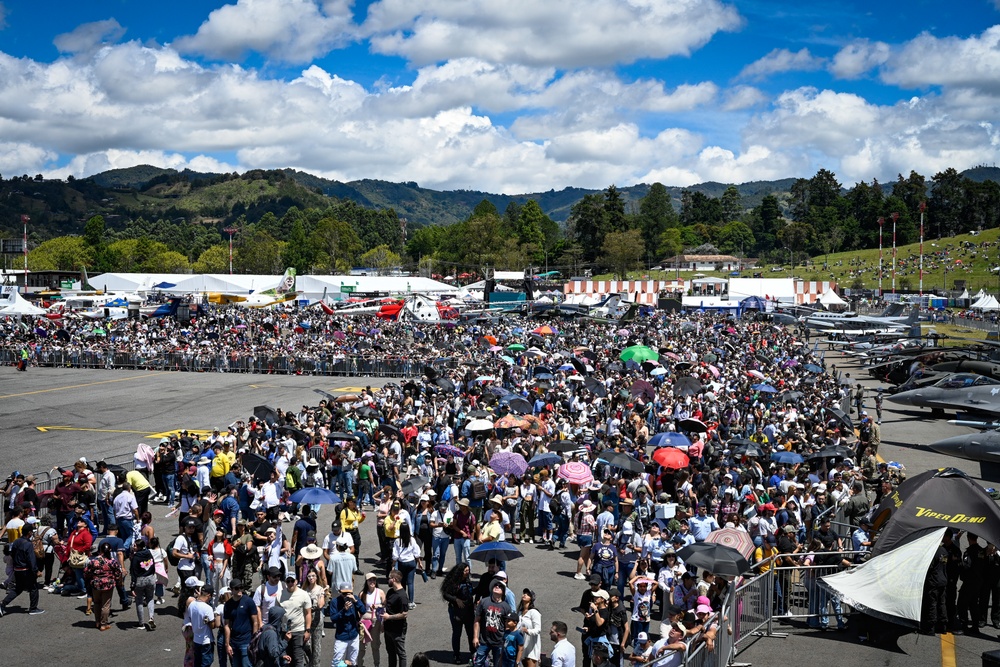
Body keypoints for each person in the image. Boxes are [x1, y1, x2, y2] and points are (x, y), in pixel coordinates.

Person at [0, 519, 44, 616]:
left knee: (18, 589)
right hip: (26, 570)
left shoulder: (16, 542)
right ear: (29, 533)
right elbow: (31, 559)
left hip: (17, 570)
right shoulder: (28, 544)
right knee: (33, 588)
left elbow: (12, 554)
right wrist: (36, 571)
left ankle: (3, 604)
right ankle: (33, 608)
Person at [474, 577, 514, 667]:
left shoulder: (506, 607)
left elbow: (508, 626)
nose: (497, 586)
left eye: (500, 586)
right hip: (484, 640)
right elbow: (477, 621)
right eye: (495, 585)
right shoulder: (484, 602)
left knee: (498, 664)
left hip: (499, 642)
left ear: (503, 591)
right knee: (478, 664)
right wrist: (475, 637)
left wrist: (505, 641)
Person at [84, 541, 124, 631]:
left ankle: (97, 622)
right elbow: (118, 573)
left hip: (96, 584)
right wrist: (119, 582)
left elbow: (87, 572)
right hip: (108, 585)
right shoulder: (112, 562)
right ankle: (103, 624)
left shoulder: (94, 561)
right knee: (106, 604)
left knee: (97, 603)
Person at [330, 581, 368, 665]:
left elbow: (363, 611)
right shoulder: (334, 602)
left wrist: (356, 601)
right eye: (344, 593)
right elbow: (333, 618)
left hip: (354, 635)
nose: (346, 595)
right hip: (341, 637)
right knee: (336, 662)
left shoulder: (355, 599)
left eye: (349, 593)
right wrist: (344, 610)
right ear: (340, 592)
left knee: (352, 662)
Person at [279, 572, 313, 667]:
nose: (290, 583)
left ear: (296, 581)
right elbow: (277, 613)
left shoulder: (303, 594)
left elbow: (308, 613)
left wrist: (307, 630)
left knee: (298, 658)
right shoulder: (280, 594)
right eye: (288, 581)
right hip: (284, 631)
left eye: (292, 581)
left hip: (298, 631)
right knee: (287, 658)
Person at [223, 579, 260, 667]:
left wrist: (253, 640)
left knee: (247, 665)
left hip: (246, 641)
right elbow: (227, 625)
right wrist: (227, 644)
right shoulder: (228, 605)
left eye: (241, 587)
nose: (240, 590)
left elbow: (255, 622)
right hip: (234, 642)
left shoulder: (248, 601)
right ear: (231, 590)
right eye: (237, 588)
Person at [392, 522, 423, 609]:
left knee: (402, 583)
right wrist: (420, 562)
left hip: (402, 563)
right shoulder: (412, 539)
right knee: (410, 583)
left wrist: (393, 564)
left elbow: (395, 555)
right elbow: (416, 552)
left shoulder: (398, 541)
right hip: (411, 563)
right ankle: (411, 602)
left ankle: (403, 600)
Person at [383, 569, 410, 667]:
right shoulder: (391, 591)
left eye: (389, 578)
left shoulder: (402, 596)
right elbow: (385, 605)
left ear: (393, 579)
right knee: (391, 653)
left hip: (397, 630)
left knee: (401, 654)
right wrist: (378, 606)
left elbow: (404, 614)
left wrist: (389, 617)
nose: (387, 580)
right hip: (388, 628)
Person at [359, 572, 386, 667]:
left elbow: (385, 606)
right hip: (364, 621)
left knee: (375, 645)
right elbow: (359, 608)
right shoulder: (362, 594)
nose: (372, 582)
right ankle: (360, 664)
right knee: (362, 645)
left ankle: (376, 664)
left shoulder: (380, 592)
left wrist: (379, 606)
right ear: (366, 581)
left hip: (376, 620)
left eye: (374, 579)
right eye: (370, 580)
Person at [130, 540, 158, 630]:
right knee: (150, 598)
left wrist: (132, 587)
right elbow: (153, 565)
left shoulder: (136, 557)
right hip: (150, 578)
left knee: (139, 601)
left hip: (140, 580)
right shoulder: (149, 553)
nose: (133, 546)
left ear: (138, 547)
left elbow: (133, 572)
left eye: (135, 545)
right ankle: (151, 617)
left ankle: (141, 623)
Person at [302, 569, 326, 667]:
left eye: (313, 576)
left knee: (316, 646)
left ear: (316, 577)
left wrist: (320, 595)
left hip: (317, 619)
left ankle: (315, 665)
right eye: (309, 576)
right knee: (305, 644)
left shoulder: (320, 589)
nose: (311, 578)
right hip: (306, 619)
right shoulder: (304, 590)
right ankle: (310, 662)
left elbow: (321, 605)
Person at [517, 588, 542, 667]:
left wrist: (528, 631)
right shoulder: (520, 613)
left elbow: (538, 629)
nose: (524, 595)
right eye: (524, 593)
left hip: (531, 646)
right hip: (521, 645)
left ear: (531, 599)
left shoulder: (534, 612)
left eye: (528, 594)